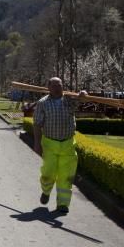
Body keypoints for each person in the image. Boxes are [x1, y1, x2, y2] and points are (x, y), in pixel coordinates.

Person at [32, 77, 88, 215]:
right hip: (50, 144)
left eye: (60, 85)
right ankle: (46, 191)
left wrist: (82, 94)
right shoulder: (42, 103)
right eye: (55, 85)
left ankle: (63, 204)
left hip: (68, 144)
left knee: (66, 176)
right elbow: (37, 124)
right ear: (48, 87)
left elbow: (81, 98)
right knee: (48, 173)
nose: (58, 88)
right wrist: (37, 144)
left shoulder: (69, 100)